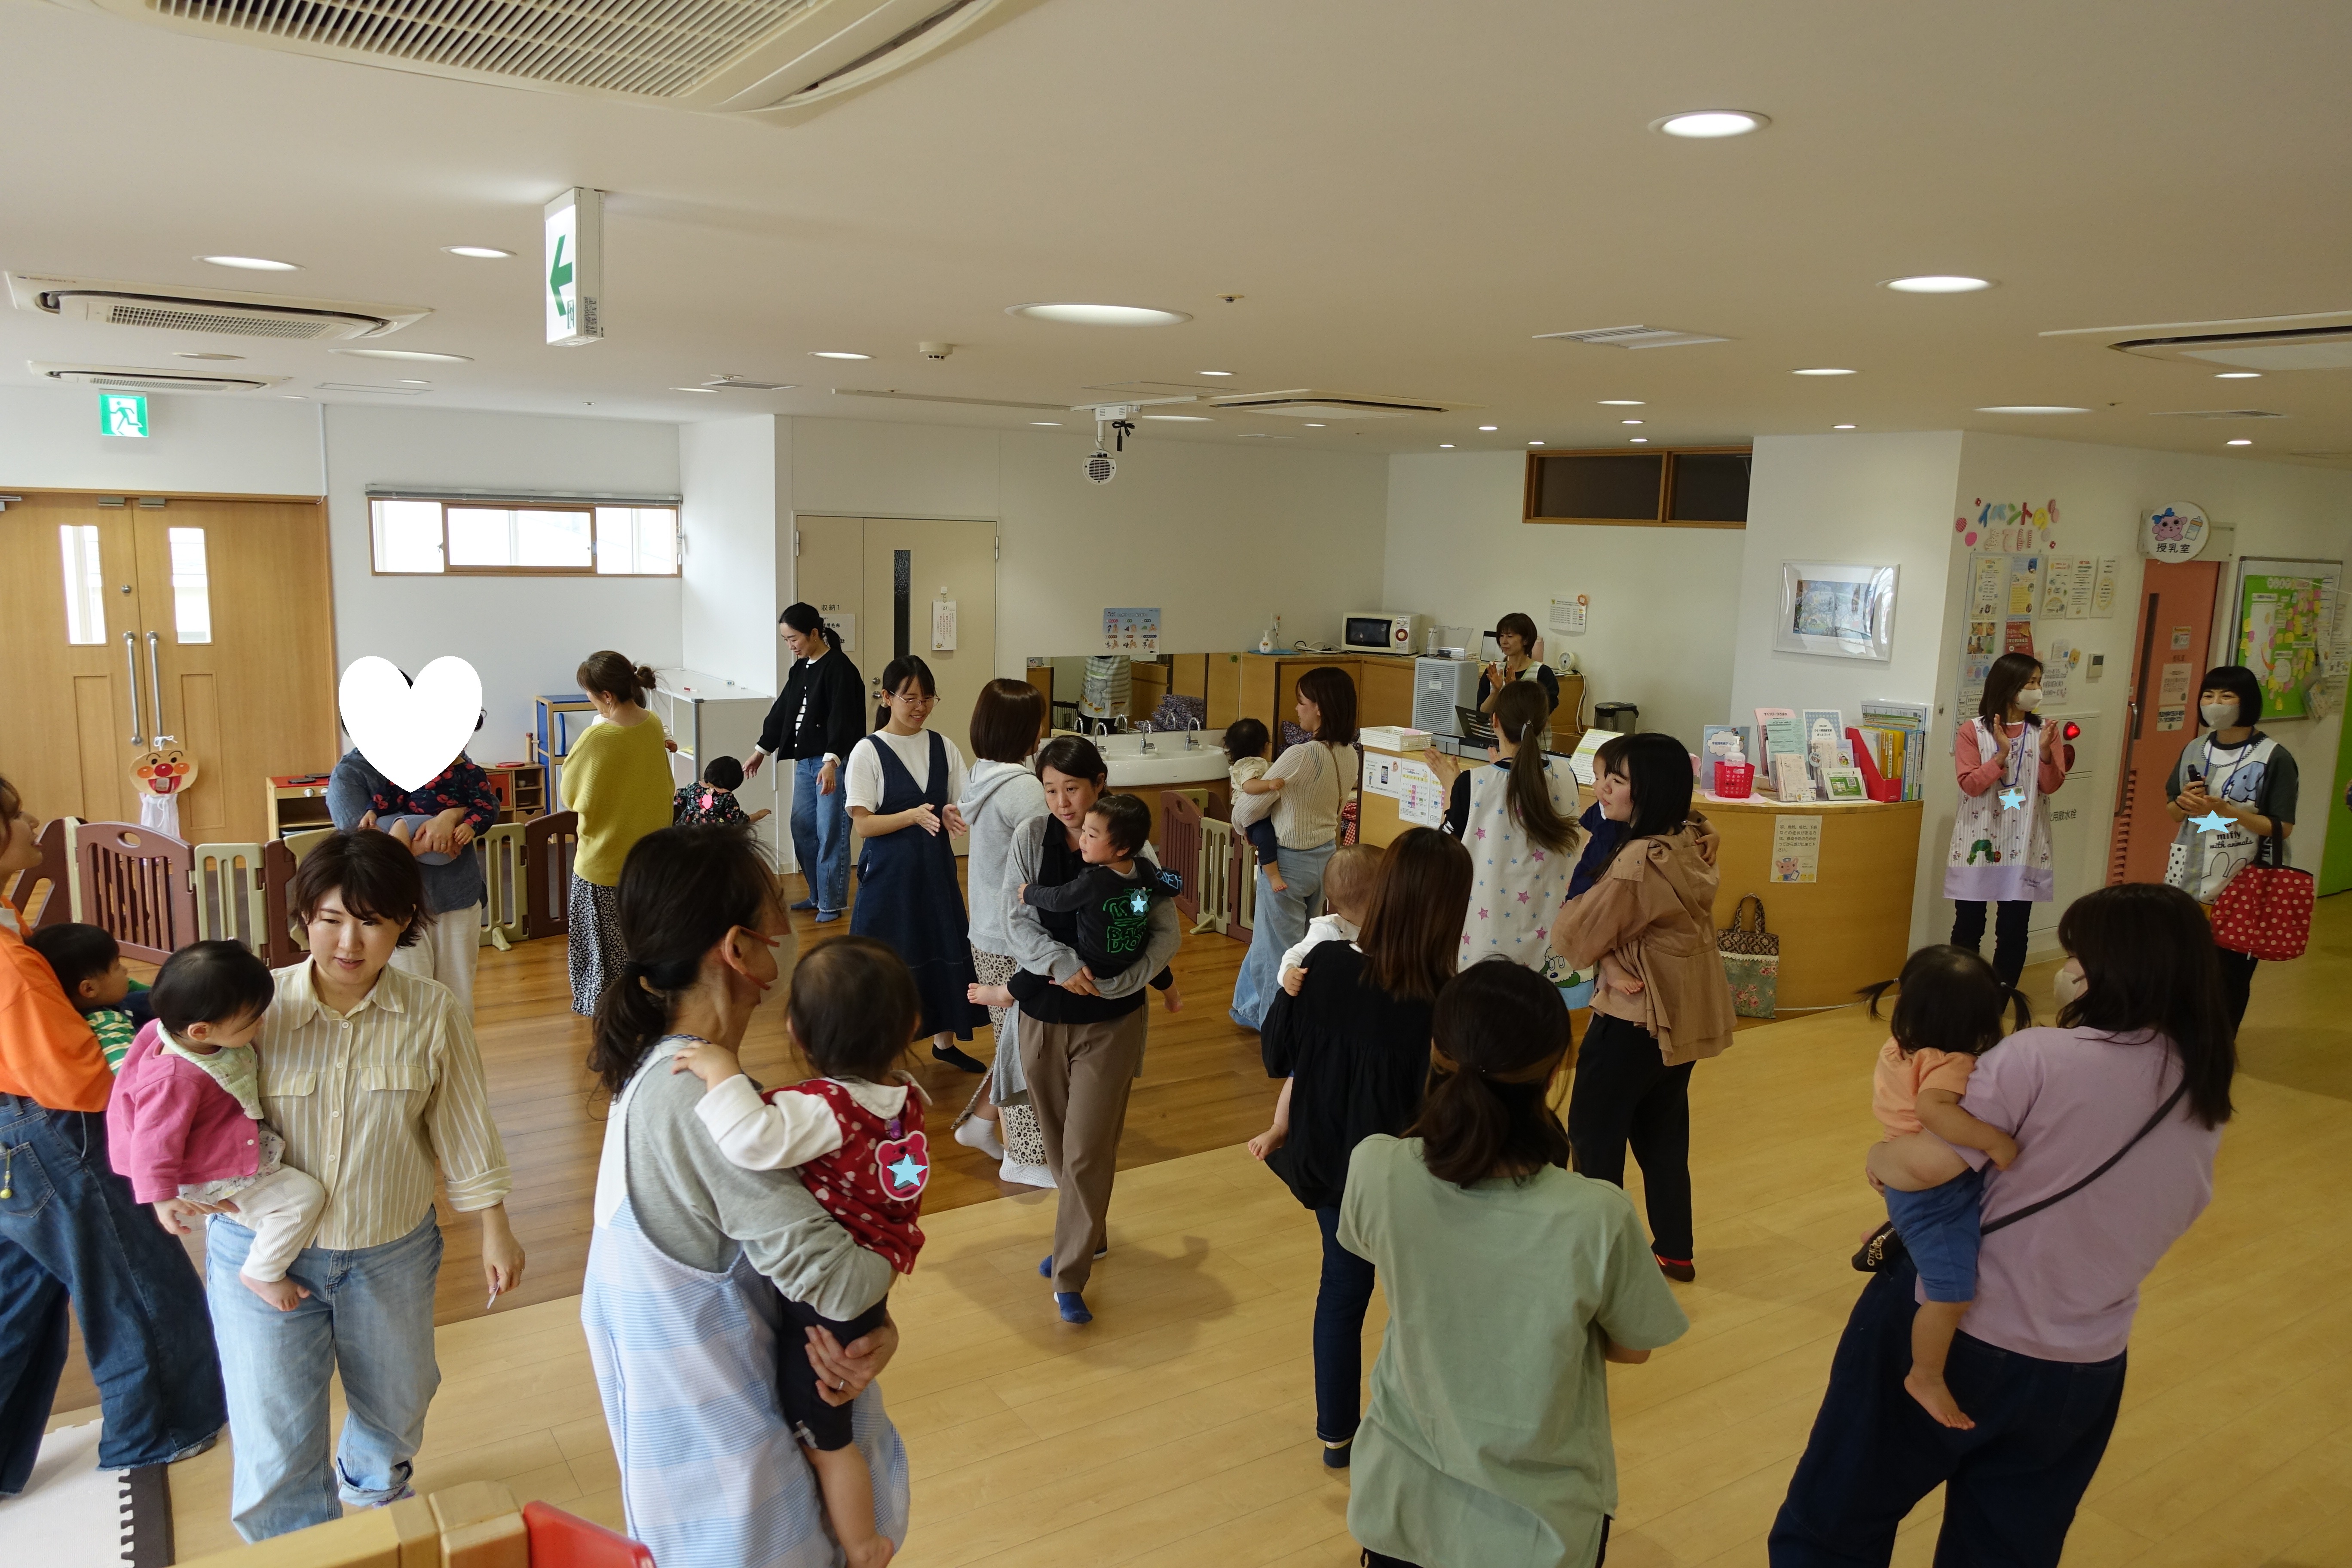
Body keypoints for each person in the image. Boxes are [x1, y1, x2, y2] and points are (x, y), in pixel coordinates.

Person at [1771, 883, 2235, 1566]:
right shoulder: (2203, 1090)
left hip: (1962, 1332)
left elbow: (1925, 1166)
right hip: (2084, 1362)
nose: (2066, 968)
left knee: (1834, 1524)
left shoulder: (2038, 1057)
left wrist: (1878, 1157)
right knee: (2004, 1552)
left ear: (2111, 968)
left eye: (2076, 954)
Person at [580, 826, 908, 1568]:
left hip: (718, 1490)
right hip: (747, 1507)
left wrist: (869, 1323)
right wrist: (882, 1292)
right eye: (777, 922)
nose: (785, 946)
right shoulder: (698, 1103)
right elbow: (838, 1280)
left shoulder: (666, 1075)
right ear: (737, 949)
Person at [191, 830, 522, 1540]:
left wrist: (495, 1225)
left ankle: (373, 1492)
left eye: (371, 921)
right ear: (302, 919)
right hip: (262, 1256)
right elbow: (171, 1094)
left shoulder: (433, 1010)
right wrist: (169, 1183)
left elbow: (464, 1124)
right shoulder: (256, 1011)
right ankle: (296, 1546)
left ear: (405, 922)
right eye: (331, 919)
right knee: (275, 1425)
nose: (348, 942)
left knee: (400, 1399)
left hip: (389, 1249)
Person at [1342, 960, 1688, 1568]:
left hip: (1401, 1502)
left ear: (1436, 1052)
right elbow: (1634, 1348)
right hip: (1538, 1531)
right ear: (1557, 1072)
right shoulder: (1596, 1214)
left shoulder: (1377, 1167)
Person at [0, 773, 227, 1496]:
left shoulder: (9, 923)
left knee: (20, 1292)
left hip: (12, 1139)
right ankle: (161, 1429)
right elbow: (79, 1080)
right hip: (50, 1131)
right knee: (133, 1276)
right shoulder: (11, 965)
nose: (30, 821)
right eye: (16, 815)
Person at [668, 937, 926, 1568]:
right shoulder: (905, 1100)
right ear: (911, 1027)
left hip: (828, 1302)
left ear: (796, 1032)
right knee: (837, 1411)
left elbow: (750, 1141)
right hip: (875, 1270)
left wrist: (722, 1071)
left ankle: (864, 1544)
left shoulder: (822, 1109)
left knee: (824, 1438)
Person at [1256, 827, 1472, 1469]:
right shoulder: (1448, 1001)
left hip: (1333, 1165)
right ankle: (1422, 1429)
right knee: (1420, 1302)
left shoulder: (1323, 965)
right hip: (1413, 1179)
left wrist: (1290, 994)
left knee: (1342, 1290)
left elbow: (1277, 1056)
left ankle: (1337, 1433)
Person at [1003, 735, 1183, 1324]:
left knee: (1086, 1150)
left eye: (1073, 789)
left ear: (1099, 783)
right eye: (1051, 790)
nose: (1063, 803)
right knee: (1059, 1144)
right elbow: (1015, 918)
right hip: (1042, 1015)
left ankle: (1070, 1275)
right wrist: (1061, 965)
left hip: (1111, 1021)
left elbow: (1163, 931)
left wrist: (1125, 980)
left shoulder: (1129, 844)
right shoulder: (1031, 837)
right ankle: (1089, 1232)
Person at [1552, 732, 1737, 1283]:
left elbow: (1575, 933)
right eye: (1602, 776)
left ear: (1649, 790)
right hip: (1680, 1017)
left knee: (1594, 1137)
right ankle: (1675, 1250)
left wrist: (1603, 955)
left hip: (1634, 1015)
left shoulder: (1639, 860)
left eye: (1617, 781)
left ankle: (1602, 1259)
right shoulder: (1690, 839)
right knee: (1663, 1137)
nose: (1603, 789)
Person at [1853, 946, 2030, 1430]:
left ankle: (1897, 1230)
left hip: (1904, 1172)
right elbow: (1933, 1111)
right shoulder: (1950, 1063)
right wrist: (1992, 1139)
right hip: (1931, 1195)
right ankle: (1926, 1374)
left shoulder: (1899, 1045)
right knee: (1951, 1295)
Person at [107, 942, 327, 1312]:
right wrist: (161, 1198)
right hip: (205, 1169)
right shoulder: (175, 1078)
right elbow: (152, 1142)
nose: (261, 1023)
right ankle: (262, 1271)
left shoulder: (178, 1032)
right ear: (200, 1030)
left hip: (214, 1141)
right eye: (251, 1022)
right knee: (304, 1198)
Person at [847, 654, 988, 1069]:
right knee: (888, 963)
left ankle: (944, 1043)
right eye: (910, 698)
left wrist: (950, 813)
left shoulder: (943, 746)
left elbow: (959, 802)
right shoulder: (868, 751)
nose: (920, 707)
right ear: (887, 697)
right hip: (889, 879)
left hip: (935, 872)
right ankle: (879, 1052)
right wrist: (910, 816)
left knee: (942, 949)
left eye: (927, 698)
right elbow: (864, 826)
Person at [952, 679, 1055, 1186]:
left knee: (1013, 1038)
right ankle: (1025, 1158)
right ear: (1026, 730)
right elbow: (1048, 861)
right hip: (1016, 933)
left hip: (988, 930)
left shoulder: (981, 775)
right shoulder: (1024, 788)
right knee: (1024, 1048)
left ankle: (979, 1123)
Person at [1427, 681, 1586, 994]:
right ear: (1544, 724)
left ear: (1495, 721)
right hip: (1552, 942)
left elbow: (1443, 851)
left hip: (1487, 944)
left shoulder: (1473, 783)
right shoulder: (1567, 775)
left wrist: (1452, 788)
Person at [2163, 664, 2298, 1029]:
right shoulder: (2194, 748)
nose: (2215, 703)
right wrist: (2184, 803)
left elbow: (2282, 828)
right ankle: (2180, 1044)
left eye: (2226, 696)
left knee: (2229, 977)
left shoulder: (2274, 756)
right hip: (2189, 877)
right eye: (2208, 695)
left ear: (2246, 701)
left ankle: (2218, 1047)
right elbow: (2173, 811)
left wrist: (2228, 812)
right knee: (2183, 970)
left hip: (2244, 882)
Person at [1229, 667, 1362, 1032]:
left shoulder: (1300, 754)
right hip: (1326, 858)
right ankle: (1251, 1010)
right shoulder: (1349, 754)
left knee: (1279, 951)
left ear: (1319, 708)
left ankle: (1278, 1029)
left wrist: (1246, 828)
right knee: (1299, 945)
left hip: (1287, 863)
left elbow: (1246, 811)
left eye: (1302, 702)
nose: (1297, 709)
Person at [326, 742, 504, 1015]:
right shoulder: (351, 773)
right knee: (411, 1003)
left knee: (457, 997)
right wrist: (423, 839)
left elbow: (487, 801)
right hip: (394, 908)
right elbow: (362, 848)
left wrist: (451, 815)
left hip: (456, 895)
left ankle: (456, 1045)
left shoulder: (439, 750)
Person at [971, 793, 1184, 1012]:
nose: (1082, 840)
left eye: (1091, 835)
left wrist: (1030, 893)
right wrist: (1175, 880)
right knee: (1157, 964)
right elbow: (1172, 884)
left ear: (1122, 848)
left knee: (1047, 963)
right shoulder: (1146, 869)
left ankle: (1005, 994)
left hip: (1097, 961)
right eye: (1083, 831)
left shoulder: (1094, 881)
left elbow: (1058, 899)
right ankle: (1173, 997)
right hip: (1133, 948)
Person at [1243, 842, 1380, 1162]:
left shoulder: (1379, 929)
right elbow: (1294, 954)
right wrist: (1289, 974)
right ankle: (1279, 1127)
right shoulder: (1328, 930)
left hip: (1353, 1020)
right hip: (1326, 1021)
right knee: (1298, 1077)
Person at [1943, 652, 2070, 989]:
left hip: (2025, 843)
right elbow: (1970, 785)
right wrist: (2000, 756)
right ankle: (1964, 996)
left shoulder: (2045, 731)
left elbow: (2051, 786)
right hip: (1978, 840)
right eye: (2031, 683)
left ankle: (1999, 1000)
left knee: (2013, 929)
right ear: (2008, 686)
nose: (2037, 690)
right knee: (1968, 926)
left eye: (2039, 682)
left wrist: (2046, 753)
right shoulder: (1973, 731)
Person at [560, 651, 674, 1016]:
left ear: (606, 696)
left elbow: (571, 797)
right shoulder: (653, 723)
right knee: (637, 946)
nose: (590, 700)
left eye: (590, 694)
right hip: (647, 865)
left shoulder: (598, 737)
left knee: (602, 957)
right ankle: (638, 1010)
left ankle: (613, 1023)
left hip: (604, 864)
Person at [747, 603, 866, 924]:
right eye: (786, 640)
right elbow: (783, 711)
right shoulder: (800, 669)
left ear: (814, 633)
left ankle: (831, 902)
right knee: (802, 829)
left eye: (794, 639)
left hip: (832, 764)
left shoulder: (840, 667)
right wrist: (762, 750)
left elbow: (844, 718)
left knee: (831, 833)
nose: (790, 646)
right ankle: (817, 894)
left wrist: (832, 761)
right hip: (805, 765)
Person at [29, 921, 152, 1068]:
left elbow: (135, 986)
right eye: (118, 967)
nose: (125, 971)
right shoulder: (107, 1025)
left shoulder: (105, 994)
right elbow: (128, 1071)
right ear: (89, 989)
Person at [1222, 717, 1290, 894]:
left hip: (1254, 818)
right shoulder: (1252, 764)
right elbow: (1249, 786)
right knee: (1267, 839)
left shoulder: (1246, 765)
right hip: (1256, 821)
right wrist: (1269, 784)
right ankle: (1274, 877)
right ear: (1266, 746)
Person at [1476, 612, 1560, 726]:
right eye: (1501, 636)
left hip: (1530, 737)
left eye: (1510, 636)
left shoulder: (1542, 673)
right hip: (1495, 737)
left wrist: (1514, 692)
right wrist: (1496, 691)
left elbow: (1540, 715)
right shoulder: (1493, 672)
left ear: (1526, 640)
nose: (1504, 641)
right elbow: (1481, 717)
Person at [674, 754, 772, 827]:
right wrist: (758, 815)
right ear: (735, 782)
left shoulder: (694, 787)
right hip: (712, 841)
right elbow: (739, 820)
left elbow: (677, 799)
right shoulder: (727, 798)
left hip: (684, 836)